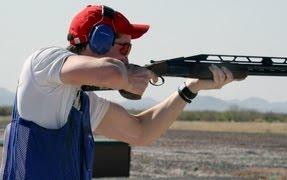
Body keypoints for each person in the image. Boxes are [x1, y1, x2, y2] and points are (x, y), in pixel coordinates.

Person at [0, 4, 244, 180]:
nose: (127, 54)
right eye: (124, 46)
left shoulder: (82, 102)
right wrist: (126, 78)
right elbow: (112, 73)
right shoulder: (43, 62)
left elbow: (141, 133)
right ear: (99, 41)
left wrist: (191, 88)